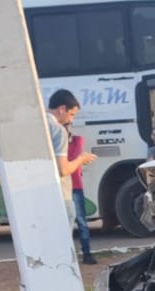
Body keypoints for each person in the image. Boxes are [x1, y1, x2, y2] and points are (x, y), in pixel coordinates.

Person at [46, 89, 96, 234]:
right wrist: (81, 159)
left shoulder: (36, 125)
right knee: (61, 238)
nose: (71, 120)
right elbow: (63, 170)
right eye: (72, 114)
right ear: (62, 109)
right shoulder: (57, 130)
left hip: (41, 196)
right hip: (60, 194)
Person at [66, 127, 96, 264]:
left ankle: (87, 252)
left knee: (81, 221)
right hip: (64, 186)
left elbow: (72, 157)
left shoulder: (77, 140)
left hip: (75, 186)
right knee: (67, 222)